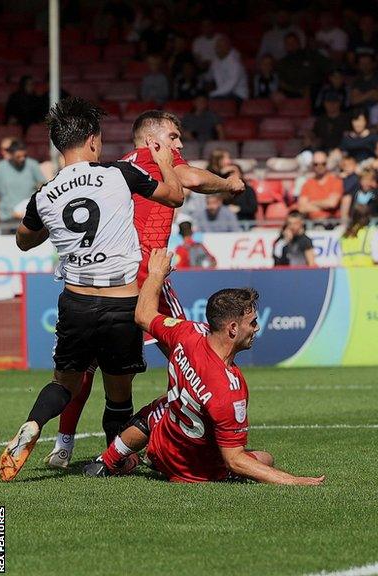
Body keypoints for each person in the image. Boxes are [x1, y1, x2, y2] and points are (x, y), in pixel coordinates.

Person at [45, 109, 245, 469]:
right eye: (173, 137)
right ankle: (201, 439)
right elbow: (192, 180)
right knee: (193, 354)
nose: (179, 144)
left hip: (112, 279)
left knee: (86, 368)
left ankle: (63, 445)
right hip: (146, 275)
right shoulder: (153, 162)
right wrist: (231, 184)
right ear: (153, 141)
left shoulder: (119, 168)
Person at [0, 97, 185, 482]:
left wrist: (51, 222)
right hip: (121, 302)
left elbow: (23, 241)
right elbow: (175, 195)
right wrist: (166, 162)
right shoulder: (120, 174)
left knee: (63, 385)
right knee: (119, 393)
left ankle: (34, 423)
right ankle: (115, 459)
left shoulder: (45, 195)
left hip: (76, 302)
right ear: (94, 142)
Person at [84, 249, 324, 485]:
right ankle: (142, 462)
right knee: (264, 458)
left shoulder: (187, 332)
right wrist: (293, 480)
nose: (256, 329)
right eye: (252, 323)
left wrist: (155, 273)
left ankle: (105, 462)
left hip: (164, 449)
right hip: (195, 473)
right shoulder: (229, 387)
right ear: (232, 328)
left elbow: (143, 314)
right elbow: (235, 460)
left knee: (162, 406)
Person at [0, 140, 46, 226]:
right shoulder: (0, 167)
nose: (22, 159)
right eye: (18, 156)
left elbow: (42, 186)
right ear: (10, 155)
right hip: (7, 218)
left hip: (29, 218)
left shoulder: (32, 165)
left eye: (24, 156)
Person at [296, 150, 344, 220]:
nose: (319, 166)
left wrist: (311, 203)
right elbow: (302, 208)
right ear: (312, 165)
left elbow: (332, 203)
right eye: (316, 164)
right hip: (312, 223)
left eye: (323, 164)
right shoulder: (307, 184)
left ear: (326, 164)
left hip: (331, 223)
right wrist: (324, 205)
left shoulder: (336, 181)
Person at [208, 35, 250, 101]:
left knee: (215, 99)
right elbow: (216, 80)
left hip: (239, 95)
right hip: (224, 94)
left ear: (228, 48)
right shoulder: (216, 61)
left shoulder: (235, 63)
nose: (218, 48)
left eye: (221, 46)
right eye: (217, 46)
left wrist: (213, 94)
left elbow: (230, 86)